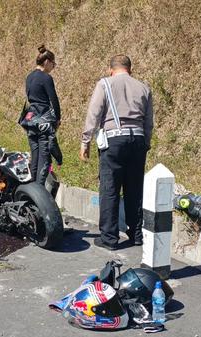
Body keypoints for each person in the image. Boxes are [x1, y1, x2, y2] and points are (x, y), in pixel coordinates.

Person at [79, 54, 154, 250]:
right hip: (137, 139)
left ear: (110, 69)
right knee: (135, 189)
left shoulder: (105, 84)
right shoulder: (143, 87)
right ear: (130, 69)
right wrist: (145, 142)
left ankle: (109, 238)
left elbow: (93, 114)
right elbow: (149, 122)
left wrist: (85, 141)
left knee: (110, 189)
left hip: (114, 140)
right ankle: (136, 234)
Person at [24, 45, 61, 185]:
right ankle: (39, 192)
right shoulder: (46, 78)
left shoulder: (29, 77)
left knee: (35, 156)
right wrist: (57, 118)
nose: (53, 67)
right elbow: (54, 100)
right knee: (44, 158)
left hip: (30, 120)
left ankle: (31, 189)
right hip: (43, 120)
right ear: (47, 62)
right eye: (53, 64)